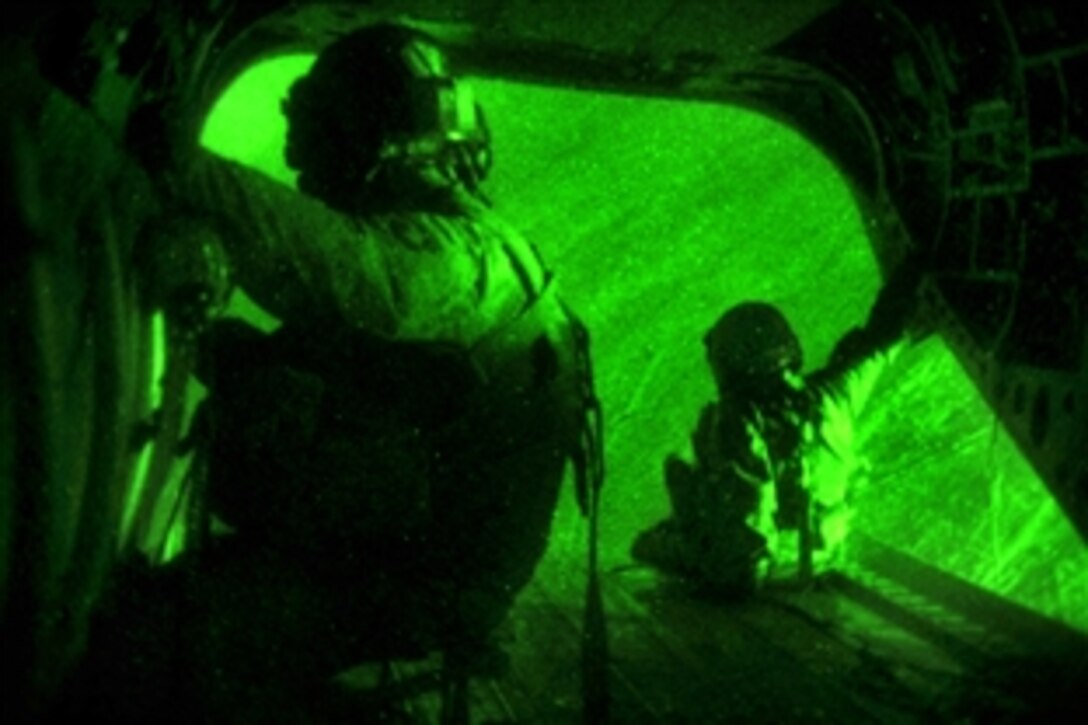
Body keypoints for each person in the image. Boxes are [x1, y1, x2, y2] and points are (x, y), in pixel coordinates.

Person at [67, 23, 599, 722]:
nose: (305, 164)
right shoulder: (472, 249)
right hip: (419, 566)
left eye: (320, 132)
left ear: (365, 133)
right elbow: (343, 344)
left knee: (146, 643)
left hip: (421, 591)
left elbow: (343, 273)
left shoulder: (463, 256)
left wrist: (182, 167)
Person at [632, 259, 924, 597]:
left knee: (651, 535)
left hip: (771, 570)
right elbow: (879, 342)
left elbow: (743, 556)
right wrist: (909, 272)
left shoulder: (737, 420)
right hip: (824, 552)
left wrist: (674, 543)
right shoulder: (832, 395)